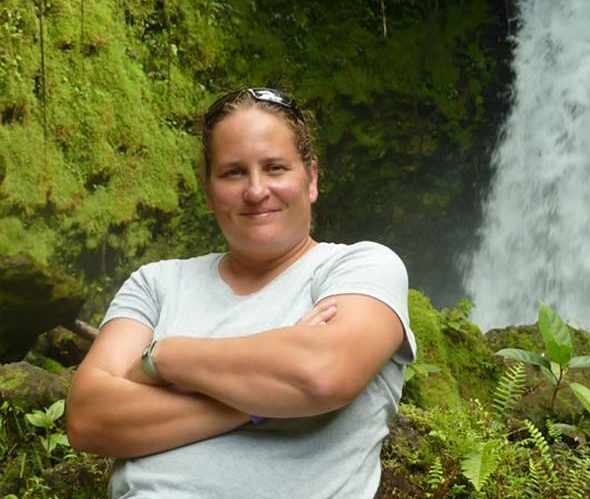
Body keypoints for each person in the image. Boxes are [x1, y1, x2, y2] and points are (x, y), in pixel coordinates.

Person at [66, 87, 416, 499]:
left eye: (275, 168)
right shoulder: (156, 283)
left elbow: (320, 374)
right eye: (233, 172)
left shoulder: (359, 268)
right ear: (209, 191)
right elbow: (89, 418)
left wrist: (164, 358)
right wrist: (263, 397)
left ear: (312, 178)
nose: (255, 191)